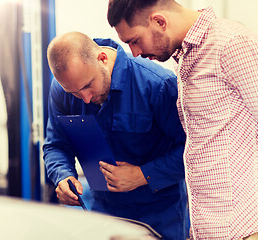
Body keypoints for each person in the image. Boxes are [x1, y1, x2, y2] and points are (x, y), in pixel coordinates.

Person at [107, 1, 258, 239]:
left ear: (159, 21)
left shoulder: (232, 44)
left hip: (243, 229)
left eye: (134, 40)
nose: (134, 53)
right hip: (206, 227)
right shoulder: (187, 58)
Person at [43, 31, 189, 240]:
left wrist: (142, 175)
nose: (84, 99)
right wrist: (63, 175)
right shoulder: (63, 90)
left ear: (102, 59)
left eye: (87, 86)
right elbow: (56, 144)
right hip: (104, 213)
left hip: (160, 217)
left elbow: (193, 152)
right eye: (75, 93)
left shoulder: (158, 85)